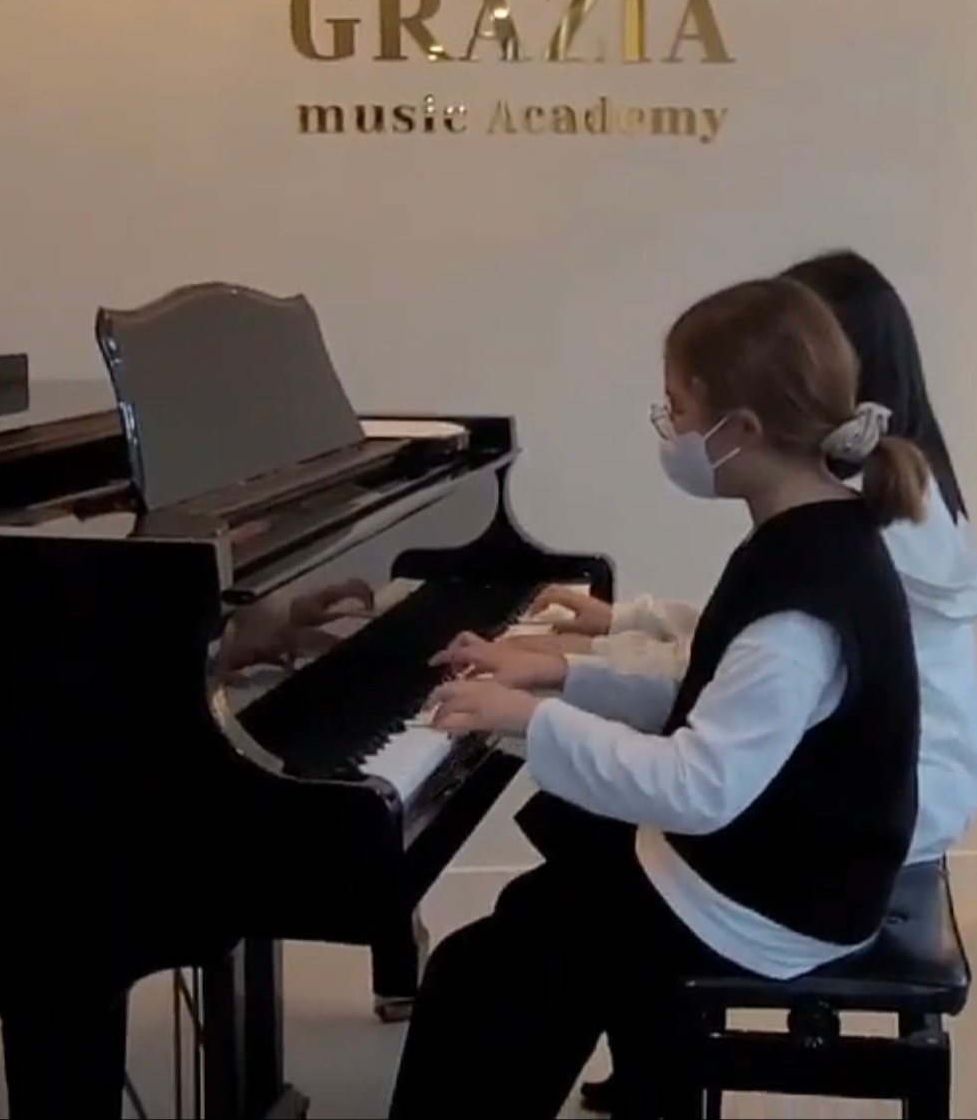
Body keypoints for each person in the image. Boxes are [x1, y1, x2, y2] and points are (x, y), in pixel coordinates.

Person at [387, 276, 926, 1120]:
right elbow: (704, 686)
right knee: (546, 902)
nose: (668, 428)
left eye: (676, 408)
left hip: (780, 900)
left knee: (479, 974)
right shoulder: (813, 530)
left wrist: (532, 717)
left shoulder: (800, 607)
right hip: (774, 855)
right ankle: (645, 1073)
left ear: (741, 431)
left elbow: (698, 788)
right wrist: (562, 673)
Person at [531, 251, 977, 1115]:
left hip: (869, 806)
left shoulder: (861, 529)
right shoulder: (852, 500)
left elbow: (751, 674)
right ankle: (650, 1050)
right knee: (591, 834)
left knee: (596, 851)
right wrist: (616, 631)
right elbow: (734, 643)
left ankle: (645, 1043)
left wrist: (558, 687)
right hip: (850, 774)